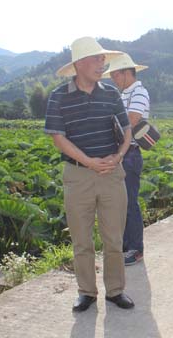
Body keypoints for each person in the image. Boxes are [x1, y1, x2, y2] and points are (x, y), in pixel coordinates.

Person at [44, 37, 135, 312]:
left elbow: (127, 130)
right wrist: (89, 162)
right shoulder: (59, 96)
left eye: (102, 59)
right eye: (97, 59)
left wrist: (118, 156)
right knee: (81, 240)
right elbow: (58, 137)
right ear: (79, 64)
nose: (102, 64)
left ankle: (116, 290)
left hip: (112, 173)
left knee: (114, 239)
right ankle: (86, 292)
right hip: (78, 175)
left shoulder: (111, 93)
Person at [103, 54, 150, 266]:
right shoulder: (122, 94)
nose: (113, 79)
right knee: (118, 202)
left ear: (126, 73)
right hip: (119, 152)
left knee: (130, 202)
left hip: (130, 153)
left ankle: (135, 249)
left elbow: (131, 120)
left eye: (115, 75)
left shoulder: (139, 92)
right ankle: (123, 245)